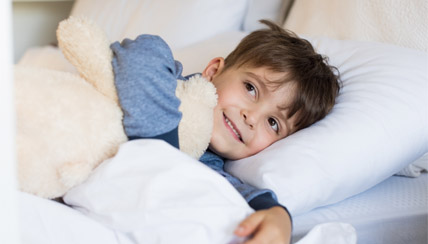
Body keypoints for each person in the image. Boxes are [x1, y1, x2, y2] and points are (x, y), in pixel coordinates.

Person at [110, 20, 340, 244]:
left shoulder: (208, 166)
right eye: (251, 88)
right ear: (213, 71)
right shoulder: (168, 81)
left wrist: (277, 215)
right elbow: (145, 52)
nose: (251, 117)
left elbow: (234, 191)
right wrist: (163, 150)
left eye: (273, 123)